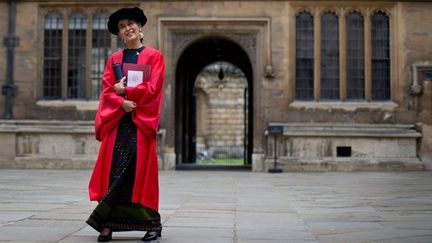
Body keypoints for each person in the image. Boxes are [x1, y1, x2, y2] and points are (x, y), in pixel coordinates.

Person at [86, 7, 164, 242]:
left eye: (130, 23)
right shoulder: (115, 59)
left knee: (138, 175)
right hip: (119, 124)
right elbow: (107, 90)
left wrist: (128, 91)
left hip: (140, 125)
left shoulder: (154, 56)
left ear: (140, 27)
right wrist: (121, 103)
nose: (127, 28)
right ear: (120, 34)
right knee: (113, 173)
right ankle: (107, 224)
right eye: (122, 27)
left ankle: (151, 225)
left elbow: (154, 88)